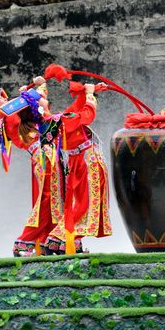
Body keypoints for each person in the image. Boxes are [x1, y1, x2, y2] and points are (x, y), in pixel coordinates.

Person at [44, 79, 112, 254]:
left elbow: (76, 107)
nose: (45, 97)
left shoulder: (54, 120)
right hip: (84, 160)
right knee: (84, 203)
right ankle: (60, 237)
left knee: (77, 201)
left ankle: (68, 242)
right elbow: (87, 115)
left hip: (77, 160)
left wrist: (92, 91)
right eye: (41, 98)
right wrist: (90, 95)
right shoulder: (60, 121)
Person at [0, 77, 65, 257]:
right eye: (40, 98)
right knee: (47, 201)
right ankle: (25, 241)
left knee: (54, 201)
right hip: (45, 162)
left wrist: (37, 86)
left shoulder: (38, 121)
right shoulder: (32, 124)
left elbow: (40, 99)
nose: (45, 98)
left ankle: (50, 241)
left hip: (48, 160)